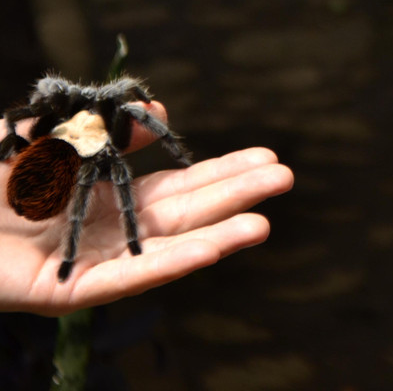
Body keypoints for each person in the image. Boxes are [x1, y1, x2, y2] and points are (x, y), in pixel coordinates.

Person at [0, 99, 294, 315]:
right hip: (53, 175)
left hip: (39, 169)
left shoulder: (46, 127)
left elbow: (29, 112)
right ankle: (74, 256)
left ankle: (71, 257)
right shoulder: (103, 154)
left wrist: (15, 121)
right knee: (107, 172)